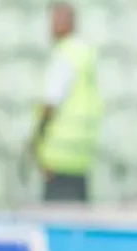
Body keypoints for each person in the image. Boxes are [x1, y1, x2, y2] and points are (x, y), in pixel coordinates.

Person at [30, 2, 102, 203]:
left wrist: (34, 143)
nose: (51, 26)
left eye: (56, 20)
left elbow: (50, 102)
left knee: (59, 219)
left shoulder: (64, 57)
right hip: (81, 156)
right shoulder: (84, 54)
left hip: (58, 157)